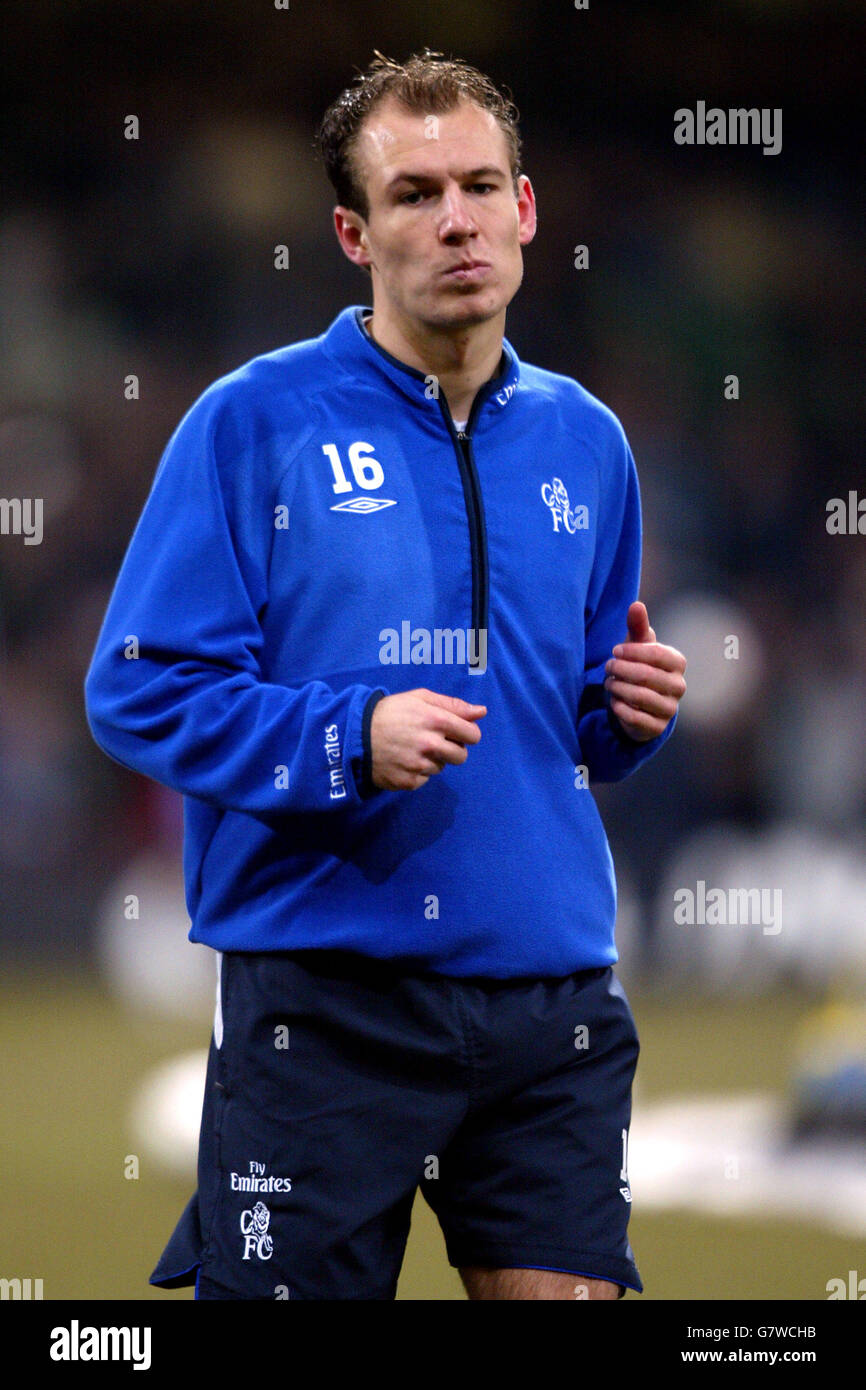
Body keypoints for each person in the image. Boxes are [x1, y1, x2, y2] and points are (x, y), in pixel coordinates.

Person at [84, 48, 686, 1301]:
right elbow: (137, 687)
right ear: (354, 233)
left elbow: (561, 711)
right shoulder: (252, 423)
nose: (455, 218)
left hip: (550, 997)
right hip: (326, 1005)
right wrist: (343, 737)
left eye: (480, 185)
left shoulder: (588, 438)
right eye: (414, 195)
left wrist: (617, 715)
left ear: (525, 211)